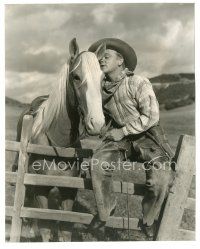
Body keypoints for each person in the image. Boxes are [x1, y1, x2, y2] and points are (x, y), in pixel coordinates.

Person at [88, 38, 175, 238]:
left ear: (120, 61)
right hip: (119, 138)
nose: (101, 60)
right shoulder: (100, 89)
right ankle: (105, 213)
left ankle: (148, 220)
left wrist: (124, 131)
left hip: (147, 136)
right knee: (98, 164)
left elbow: (151, 116)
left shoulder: (138, 82)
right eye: (99, 57)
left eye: (106, 56)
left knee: (162, 178)